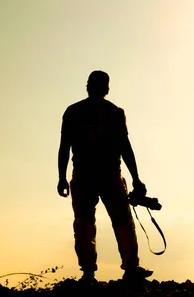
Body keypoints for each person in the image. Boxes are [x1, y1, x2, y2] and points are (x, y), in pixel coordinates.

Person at [57, 70, 153, 284]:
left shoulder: (73, 112)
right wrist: (136, 178)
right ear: (106, 89)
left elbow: (64, 147)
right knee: (121, 221)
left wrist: (62, 177)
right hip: (108, 175)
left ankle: (89, 272)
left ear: (88, 86)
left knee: (84, 223)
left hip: (86, 175)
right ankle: (129, 268)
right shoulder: (114, 112)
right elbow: (125, 147)